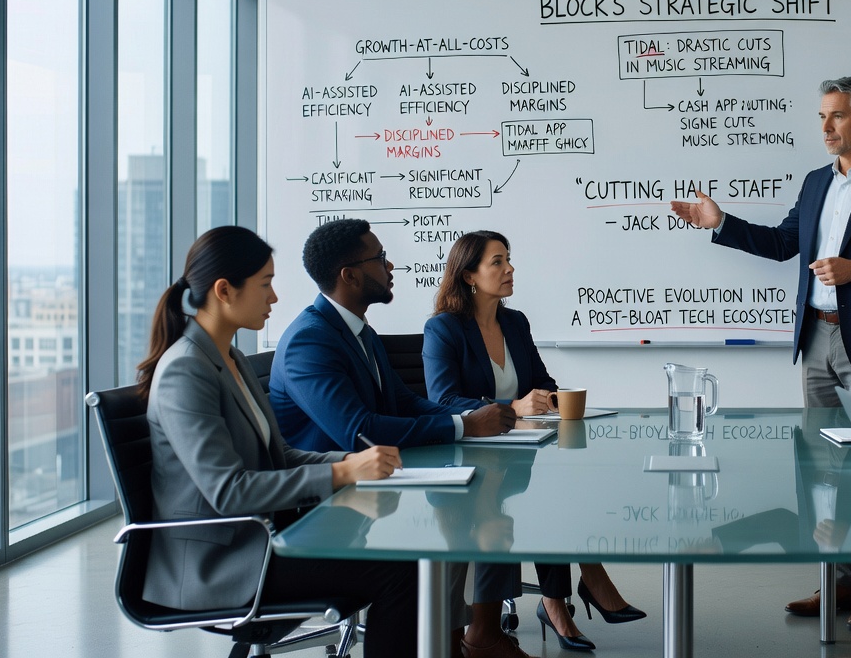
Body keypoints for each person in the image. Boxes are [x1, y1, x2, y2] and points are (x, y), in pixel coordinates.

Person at [671, 75, 851, 620]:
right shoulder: (817, 181)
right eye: (821, 116)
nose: (825, 127)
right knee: (822, 467)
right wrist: (720, 222)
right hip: (815, 335)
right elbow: (782, 243)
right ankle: (839, 580)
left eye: (836, 116)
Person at [137, 226, 417, 657]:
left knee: (403, 557)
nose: (275, 298)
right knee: (400, 570)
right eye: (265, 285)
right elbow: (229, 491)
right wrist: (342, 473)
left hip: (260, 540)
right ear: (224, 290)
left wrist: (351, 462)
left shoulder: (229, 357)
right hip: (223, 564)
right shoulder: (185, 370)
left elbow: (279, 456)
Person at [268, 218, 522, 657]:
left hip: (375, 481)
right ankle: (453, 639)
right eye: (380, 259)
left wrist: (468, 417)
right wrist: (464, 424)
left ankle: (466, 636)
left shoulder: (359, 330)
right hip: (325, 503)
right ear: (349, 274)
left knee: (481, 496)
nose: (391, 266)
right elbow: (359, 431)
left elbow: (404, 402)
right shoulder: (309, 342)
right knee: (456, 521)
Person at [424, 230, 646, 653]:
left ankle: (561, 599)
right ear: (469, 274)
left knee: (564, 482)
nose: (509, 269)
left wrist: (552, 398)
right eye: (497, 262)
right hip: (468, 454)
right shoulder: (443, 329)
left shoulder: (514, 321)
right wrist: (513, 405)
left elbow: (542, 382)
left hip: (516, 452)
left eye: (508, 259)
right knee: (550, 495)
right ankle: (573, 591)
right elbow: (443, 400)